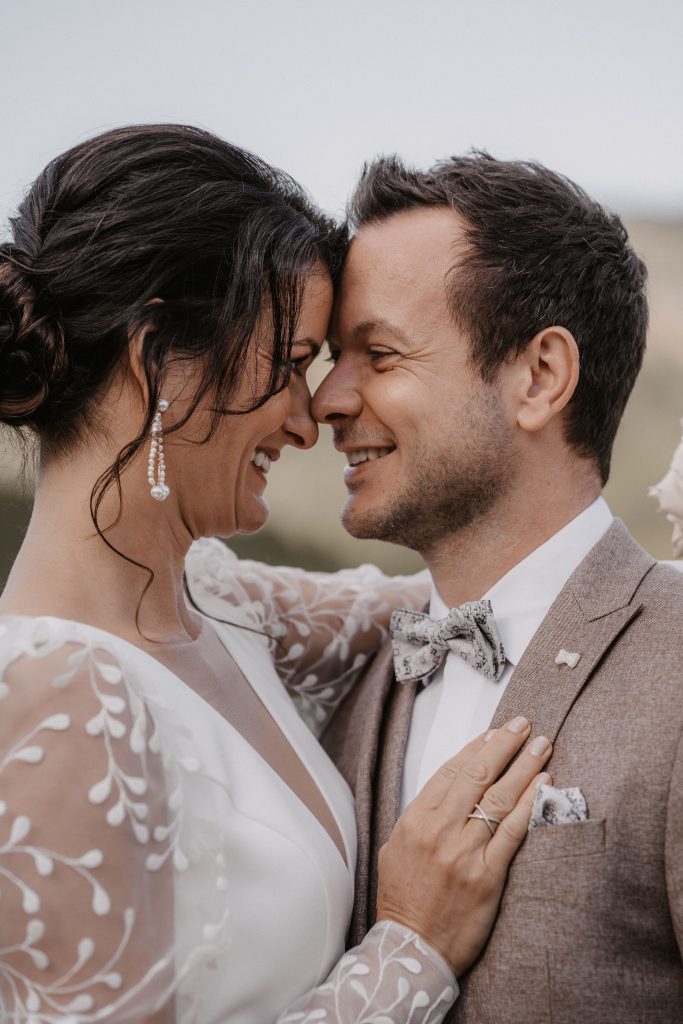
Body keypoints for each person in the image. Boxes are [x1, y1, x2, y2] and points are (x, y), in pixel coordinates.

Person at [0, 126, 552, 1023]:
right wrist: (410, 949)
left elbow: (473, 590)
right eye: (291, 364)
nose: (309, 421)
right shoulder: (52, 697)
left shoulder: (220, 601)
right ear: (158, 363)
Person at [315, 154, 683, 1021]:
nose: (327, 399)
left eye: (379, 353)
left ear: (539, 377)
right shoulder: (348, 677)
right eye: (335, 358)